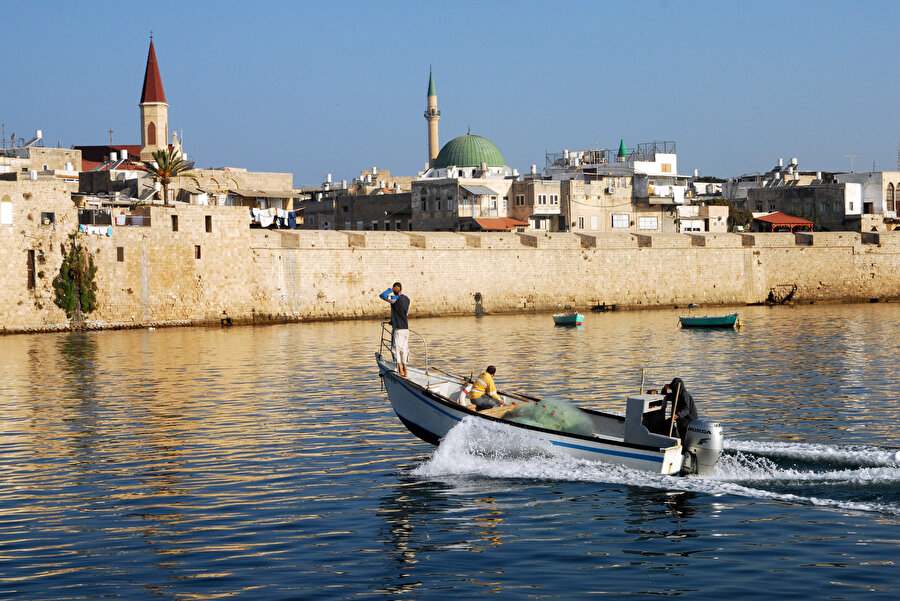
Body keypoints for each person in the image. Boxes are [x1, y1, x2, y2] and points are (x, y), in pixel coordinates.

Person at [379, 282, 410, 376]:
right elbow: (405, 314)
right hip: (405, 328)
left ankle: (400, 370)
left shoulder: (395, 299)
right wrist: (393, 320)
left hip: (398, 329)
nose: (393, 290)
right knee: (404, 349)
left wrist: (390, 290)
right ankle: (405, 370)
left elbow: (382, 295)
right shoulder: (407, 299)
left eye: (394, 288)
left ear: (397, 288)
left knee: (396, 349)